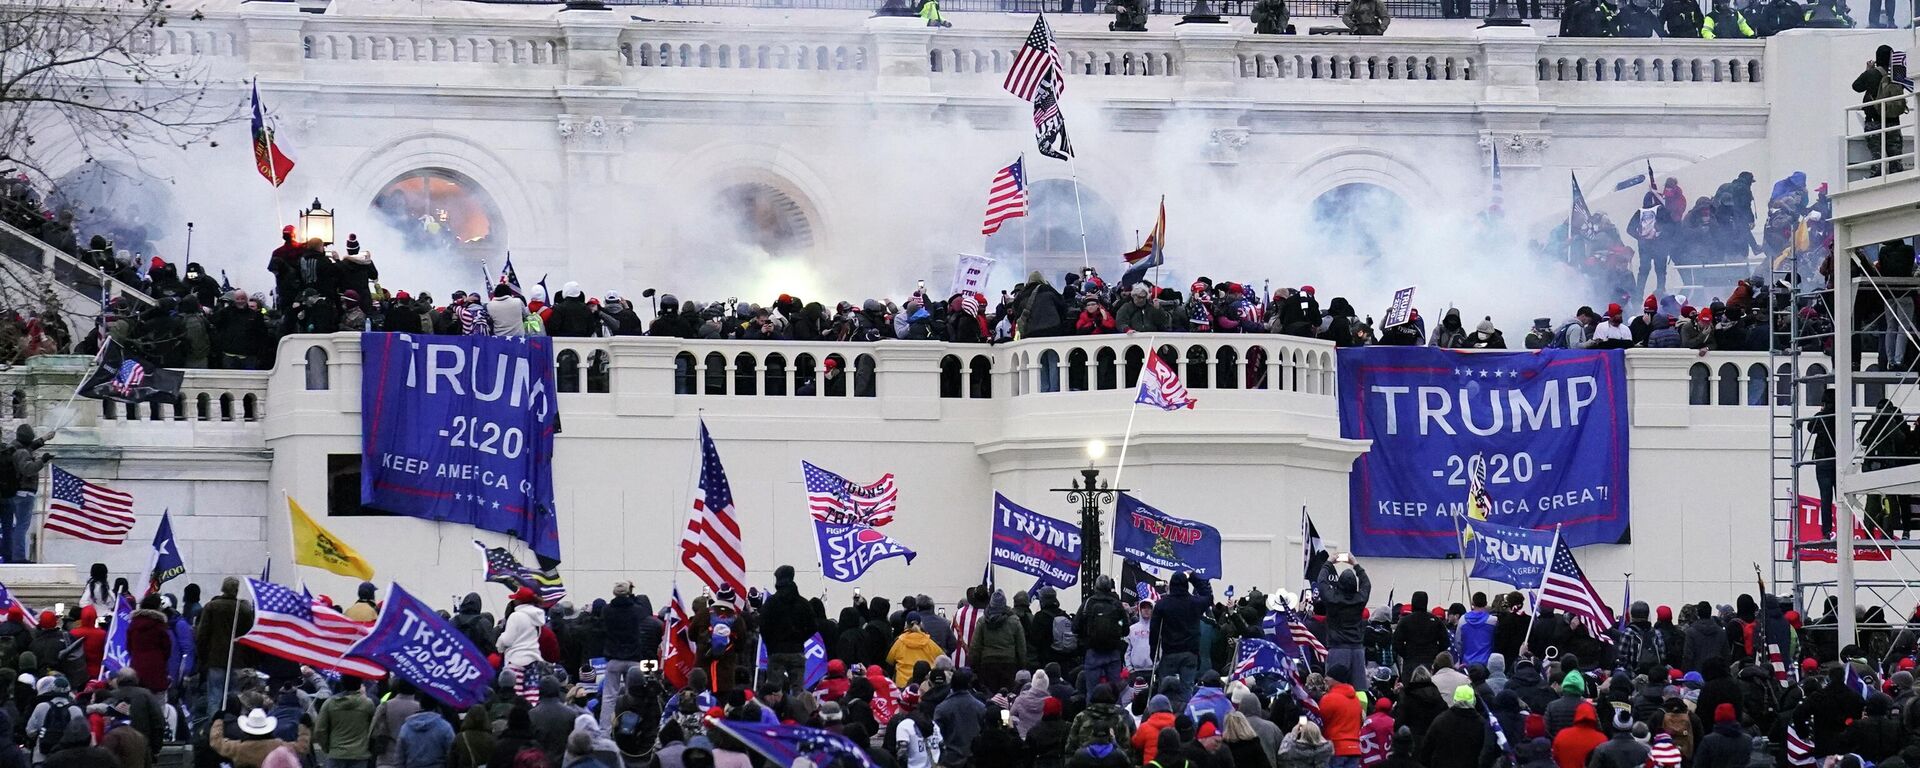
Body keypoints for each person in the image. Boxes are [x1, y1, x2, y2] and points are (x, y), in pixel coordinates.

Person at [194, 576, 254, 722]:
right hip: (237, 658)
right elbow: (249, 635)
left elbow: (202, 635)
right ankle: (234, 727)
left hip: (215, 659)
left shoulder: (211, 607)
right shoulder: (244, 609)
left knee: (215, 696)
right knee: (235, 697)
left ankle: (213, 728)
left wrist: (202, 657)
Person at [1317, 554, 1370, 687]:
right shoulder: (1360, 599)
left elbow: (1322, 582)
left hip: (1337, 648)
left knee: (1335, 688)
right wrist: (1355, 564)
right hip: (1357, 649)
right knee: (1359, 691)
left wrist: (1328, 562)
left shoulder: (1332, 599)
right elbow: (1367, 584)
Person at [0, 426, 49, 564]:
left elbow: (27, 448)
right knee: (21, 526)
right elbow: (27, 469)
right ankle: (18, 556)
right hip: (24, 492)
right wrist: (42, 461)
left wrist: (43, 439)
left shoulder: (11, 449)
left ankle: (10, 554)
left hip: (12, 493)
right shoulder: (21, 452)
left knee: (11, 526)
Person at [316, 676, 377, 768]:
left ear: (342, 684)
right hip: (359, 754)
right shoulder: (368, 704)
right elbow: (373, 728)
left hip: (336, 753)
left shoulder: (330, 703)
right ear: (359, 684)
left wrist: (328, 748)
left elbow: (319, 730)